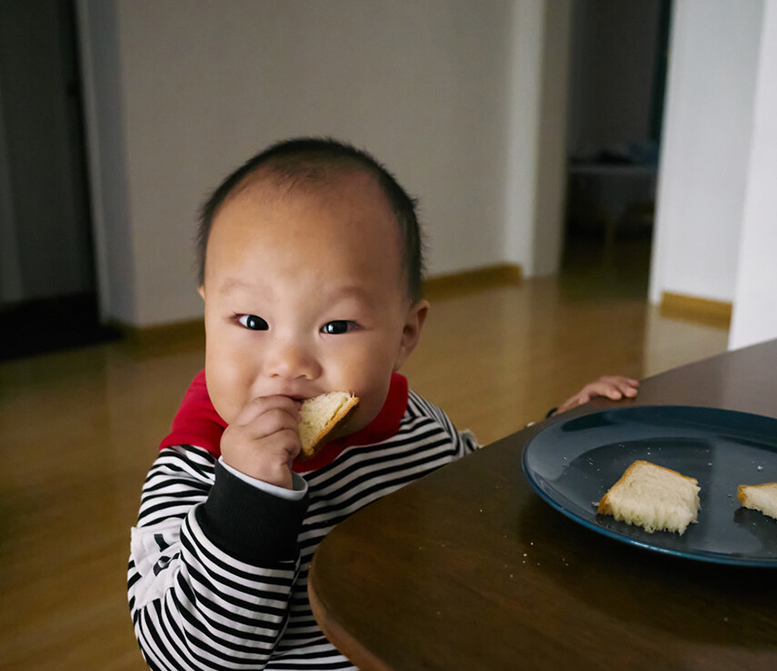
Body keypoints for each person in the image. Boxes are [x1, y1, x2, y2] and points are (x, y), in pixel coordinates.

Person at [127, 137, 639, 671]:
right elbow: (183, 658)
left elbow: (479, 492)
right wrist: (247, 503)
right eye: (253, 322)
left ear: (405, 335)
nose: (289, 363)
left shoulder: (410, 419)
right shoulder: (193, 470)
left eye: (336, 325)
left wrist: (557, 435)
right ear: (208, 311)